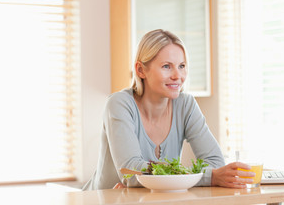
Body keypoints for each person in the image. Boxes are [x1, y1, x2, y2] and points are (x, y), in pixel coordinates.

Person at [83, 29, 255, 190]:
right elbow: (131, 172)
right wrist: (207, 177)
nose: (177, 76)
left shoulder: (185, 105)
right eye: (166, 66)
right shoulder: (119, 104)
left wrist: (187, 177)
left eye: (181, 66)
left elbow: (215, 162)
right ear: (141, 70)